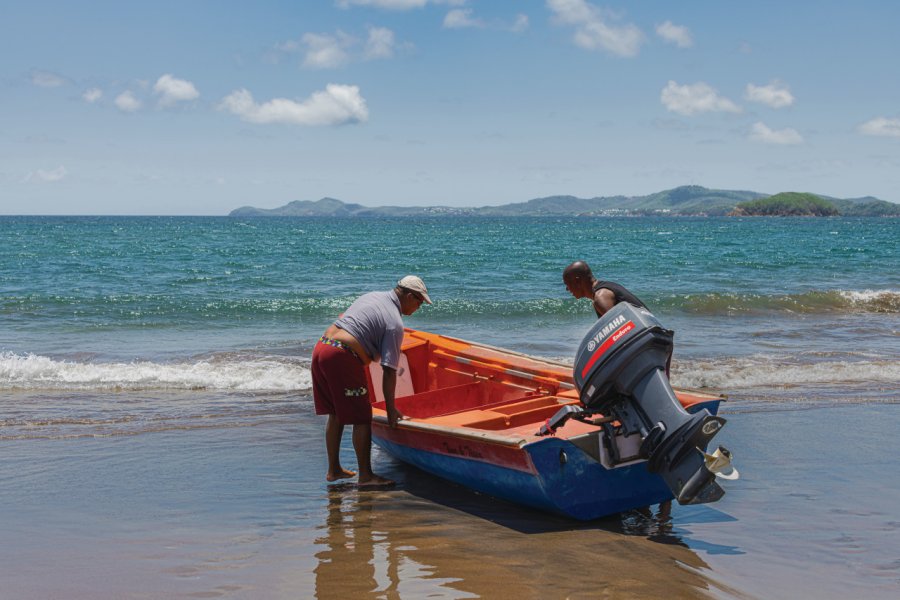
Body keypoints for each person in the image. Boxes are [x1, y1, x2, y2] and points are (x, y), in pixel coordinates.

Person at [312, 275, 432, 488]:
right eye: (419, 302)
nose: (419, 307)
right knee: (362, 417)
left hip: (322, 348)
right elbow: (389, 370)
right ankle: (366, 476)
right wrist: (391, 409)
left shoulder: (373, 296)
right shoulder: (394, 323)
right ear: (409, 295)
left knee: (336, 413)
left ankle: (334, 470)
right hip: (342, 356)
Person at [562, 260, 648, 318]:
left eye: (567, 284)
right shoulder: (606, 288)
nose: (567, 289)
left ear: (577, 281)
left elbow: (617, 329)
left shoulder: (601, 297)